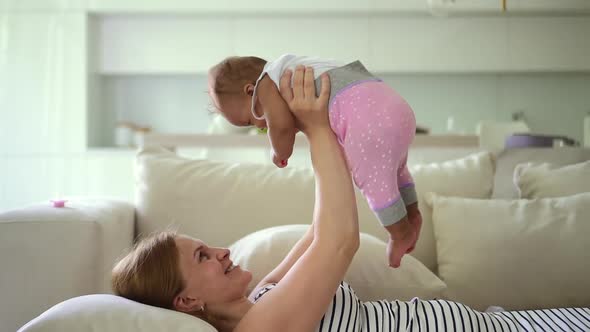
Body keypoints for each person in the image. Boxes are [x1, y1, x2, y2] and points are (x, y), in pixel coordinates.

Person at [113, 67, 590, 332]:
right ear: (187, 299)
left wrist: (322, 130)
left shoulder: (261, 298)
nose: (222, 250)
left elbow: (322, 228)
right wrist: (318, 128)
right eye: (203, 256)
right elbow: (340, 242)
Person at [207, 54, 421, 268]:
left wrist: (279, 152)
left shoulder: (266, 84)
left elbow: (280, 126)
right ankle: (412, 213)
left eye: (249, 120)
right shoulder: (291, 67)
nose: (259, 125)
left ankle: (400, 233)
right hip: (395, 105)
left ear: (250, 91)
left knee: (373, 180)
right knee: (396, 169)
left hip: (368, 119)